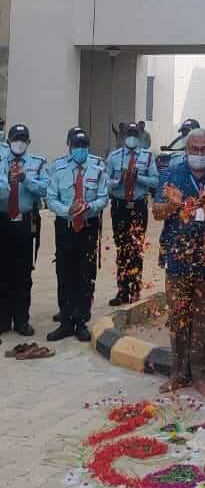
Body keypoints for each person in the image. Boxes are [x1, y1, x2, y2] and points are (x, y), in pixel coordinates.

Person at [153, 129, 205, 397]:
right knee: (179, 315)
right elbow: (156, 212)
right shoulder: (171, 175)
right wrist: (174, 206)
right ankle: (178, 373)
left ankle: (200, 374)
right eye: (195, 149)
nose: (199, 154)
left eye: (204, 149)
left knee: (204, 317)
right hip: (177, 257)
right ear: (186, 149)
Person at [46, 130, 109, 343]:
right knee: (65, 272)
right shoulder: (59, 168)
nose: (80, 149)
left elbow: (103, 197)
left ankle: (81, 320)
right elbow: (51, 198)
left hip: (88, 227)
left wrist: (89, 206)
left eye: (84, 145)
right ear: (70, 147)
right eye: (76, 145)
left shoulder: (98, 168)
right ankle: (65, 321)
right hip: (65, 227)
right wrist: (68, 211)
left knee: (86, 273)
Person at [0, 125, 49, 337]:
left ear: (28, 142)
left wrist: (25, 180)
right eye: (15, 138)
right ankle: (2, 320)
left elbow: (45, 188)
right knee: (2, 271)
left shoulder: (38, 163)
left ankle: (21, 320)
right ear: (9, 140)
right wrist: (7, 183)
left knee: (23, 273)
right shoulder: (1, 161)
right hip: (2, 221)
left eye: (22, 139)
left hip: (26, 223)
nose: (18, 142)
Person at [106, 122, 159, 306]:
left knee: (136, 248)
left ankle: (134, 290)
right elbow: (105, 181)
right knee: (122, 248)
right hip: (120, 206)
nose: (131, 137)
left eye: (134, 134)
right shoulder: (113, 157)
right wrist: (118, 180)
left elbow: (155, 181)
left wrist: (139, 178)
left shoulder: (147, 157)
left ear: (139, 136)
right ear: (123, 136)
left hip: (138, 207)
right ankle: (122, 290)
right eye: (129, 134)